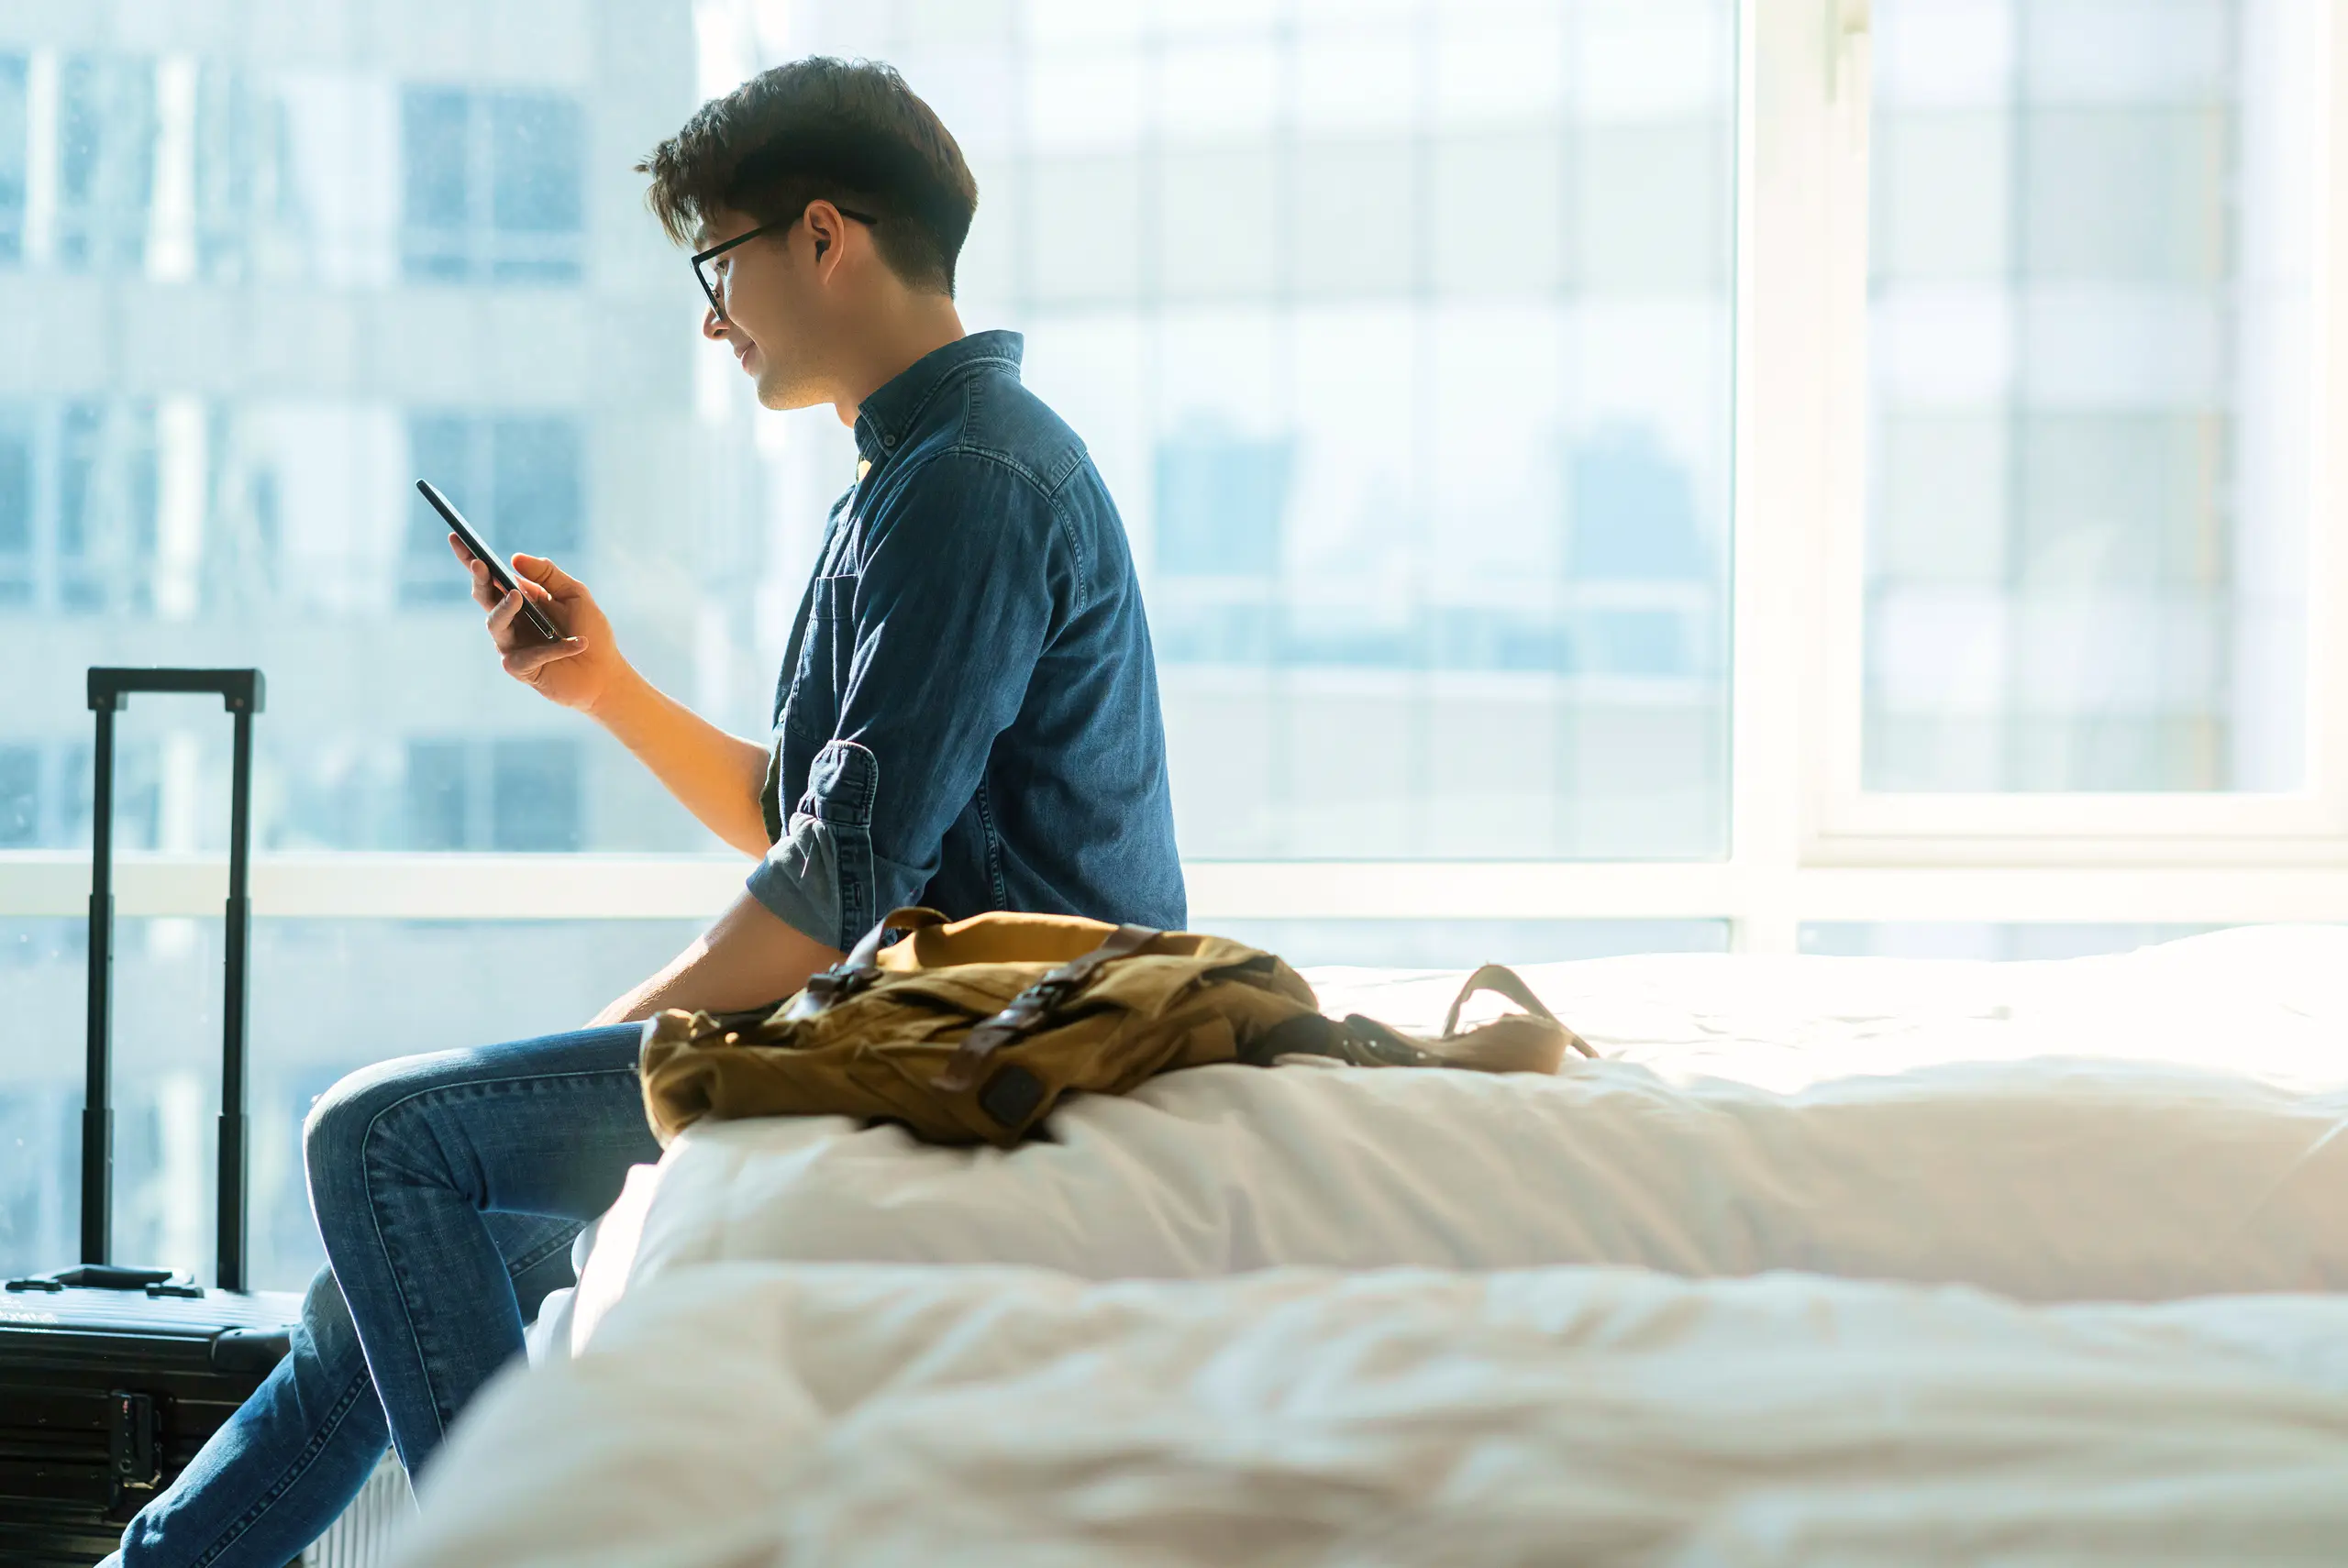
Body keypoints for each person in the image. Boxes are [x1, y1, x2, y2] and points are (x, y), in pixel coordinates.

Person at [106, 56, 1183, 1567]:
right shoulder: (913, 473)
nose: (710, 310)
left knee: (376, 1141)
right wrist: (604, 685)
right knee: (384, 1272)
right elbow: (810, 816)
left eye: (718, 260)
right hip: (912, 1011)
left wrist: (651, 1027)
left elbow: (842, 873)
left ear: (824, 236)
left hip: (989, 1039)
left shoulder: (974, 483)